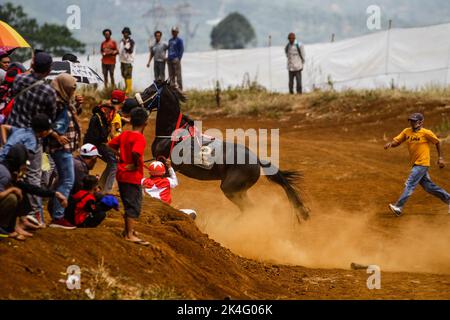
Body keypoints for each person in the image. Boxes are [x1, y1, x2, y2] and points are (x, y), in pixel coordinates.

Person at [7, 52, 66, 225]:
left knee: (10, 171)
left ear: (32, 64)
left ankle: (9, 211)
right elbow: (51, 117)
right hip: (32, 136)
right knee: (33, 175)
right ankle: (35, 215)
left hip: (12, 132)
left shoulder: (19, 80)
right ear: (48, 71)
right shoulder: (48, 92)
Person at [384, 113, 450, 216]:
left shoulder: (426, 133)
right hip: (415, 163)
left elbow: (437, 142)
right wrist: (391, 144)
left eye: (414, 121)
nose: (412, 122)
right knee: (429, 187)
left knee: (410, 184)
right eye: (410, 120)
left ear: (420, 122)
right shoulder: (407, 131)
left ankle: (398, 207)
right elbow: (397, 141)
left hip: (422, 163)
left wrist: (440, 157)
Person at [0, 144, 67, 240]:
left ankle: (15, 226)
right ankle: (4, 228)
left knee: (20, 190)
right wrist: (12, 189)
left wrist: (55, 194)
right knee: (12, 197)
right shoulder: (5, 173)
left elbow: (30, 188)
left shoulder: (8, 169)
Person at [108, 107, 149, 245]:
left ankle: (128, 231)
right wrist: (136, 165)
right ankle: (129, 234)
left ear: (130, 121)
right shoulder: (140, 138)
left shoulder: (125, 135)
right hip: (132, 176)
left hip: (121, 174)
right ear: (146, 123)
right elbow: (137, 152)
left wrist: (120, 155)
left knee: (128, 203)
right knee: (134, 205)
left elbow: (110, 145)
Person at [47, 74, 81, 229]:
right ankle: (58, 217)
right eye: (71, 88)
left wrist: (77, 106)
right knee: (68, 180)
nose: (73, 91)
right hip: (61, 148)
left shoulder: (64, 100)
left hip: (65, 147)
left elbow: (70, 118)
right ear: (64, 88)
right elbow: (47, 123)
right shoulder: (56, 103)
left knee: (63, 179)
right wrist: (57, 136)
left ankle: (56, 214)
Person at [84, 102, 117, 193]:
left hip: (97, 144)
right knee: (113, 163)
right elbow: (94, 135)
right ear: (104, 109)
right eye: (110, 109)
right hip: (94, 145)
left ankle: (101, 186)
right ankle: (107, 190)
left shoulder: (103, 118)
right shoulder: (97, 118)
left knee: (112, 162)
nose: (111, 112)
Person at [119, 27, 135, 94]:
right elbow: (120, 50)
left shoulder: (131, 42)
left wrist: (125, 45)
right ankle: (126, 87)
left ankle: (129, 89)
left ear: (129, 34)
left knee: (128, 74)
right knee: (123, 74)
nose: (125, 34)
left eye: (127, 33)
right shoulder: (121, 41)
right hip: (122, 60)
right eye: (124, 33)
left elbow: (131, 50)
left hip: (129, 60)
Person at [167, 26, 184, 90]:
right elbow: (169, 49)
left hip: (176, 60)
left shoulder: (179, 40)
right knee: (171, 76)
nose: (174, 33)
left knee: (178, 76)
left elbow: (181, 50)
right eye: (173, 31)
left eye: (175, 32)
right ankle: (173, 90)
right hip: (169, 60)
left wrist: (179, 58)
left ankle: (180, 89)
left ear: (177, 32)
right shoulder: (170, 40)